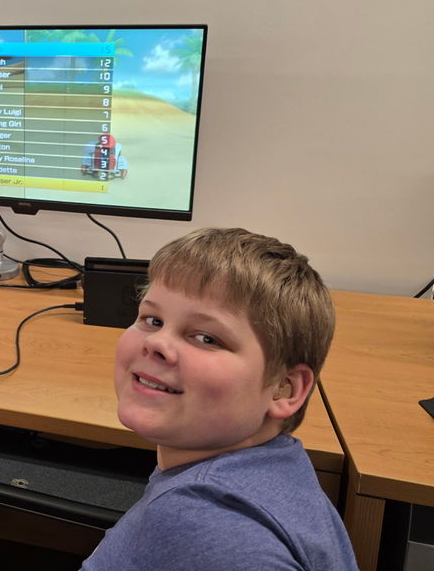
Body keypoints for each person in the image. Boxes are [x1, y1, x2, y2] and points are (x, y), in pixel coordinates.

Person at [82, 228, 357, 571]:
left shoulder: (205, 524)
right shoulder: (275, 471)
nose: (156, 343)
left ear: (284, 389)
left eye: (207, 337)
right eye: (153, 320)